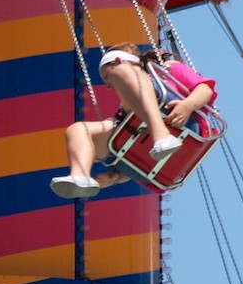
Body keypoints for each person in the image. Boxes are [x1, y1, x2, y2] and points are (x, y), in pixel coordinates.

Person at [50, 45, 215, 200]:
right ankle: (80, 175)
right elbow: (136, 153)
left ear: (120, 61)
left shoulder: (166, 70)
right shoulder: (128, 110)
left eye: (107, 77)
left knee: (122, 75)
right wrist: (115, 177)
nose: (108, 86)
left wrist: (187, 106)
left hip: (182, 122)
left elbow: (205, 90)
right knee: (78, 130)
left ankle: (161, 134)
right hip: (152, 161)